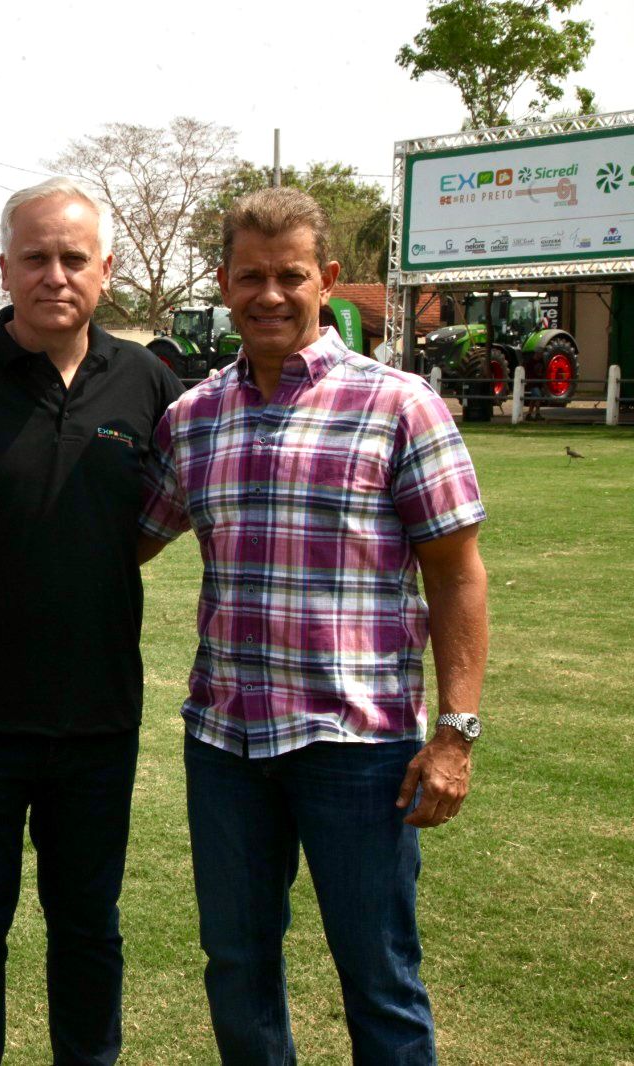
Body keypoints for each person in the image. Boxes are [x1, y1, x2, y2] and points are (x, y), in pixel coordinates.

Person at [138, 187, 489, 1064]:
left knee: (379, 974)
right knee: (237, 966)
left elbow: (456, 575)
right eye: (249, 275)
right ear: (222, 283)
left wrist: (455, 734)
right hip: (226, 745)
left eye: (289, 275)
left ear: (327, 279)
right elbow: (126, 542)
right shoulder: (194, 418)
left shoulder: (401, 405)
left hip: (358, 749)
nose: (269, 294)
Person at [0, 177, 183, 1065]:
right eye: (35, 257)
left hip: (99, 718)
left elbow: (152, 518)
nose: (55, 275)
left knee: (88, 930)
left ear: (106, 271)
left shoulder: (147, 382)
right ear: (4, 268)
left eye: (74, 258)